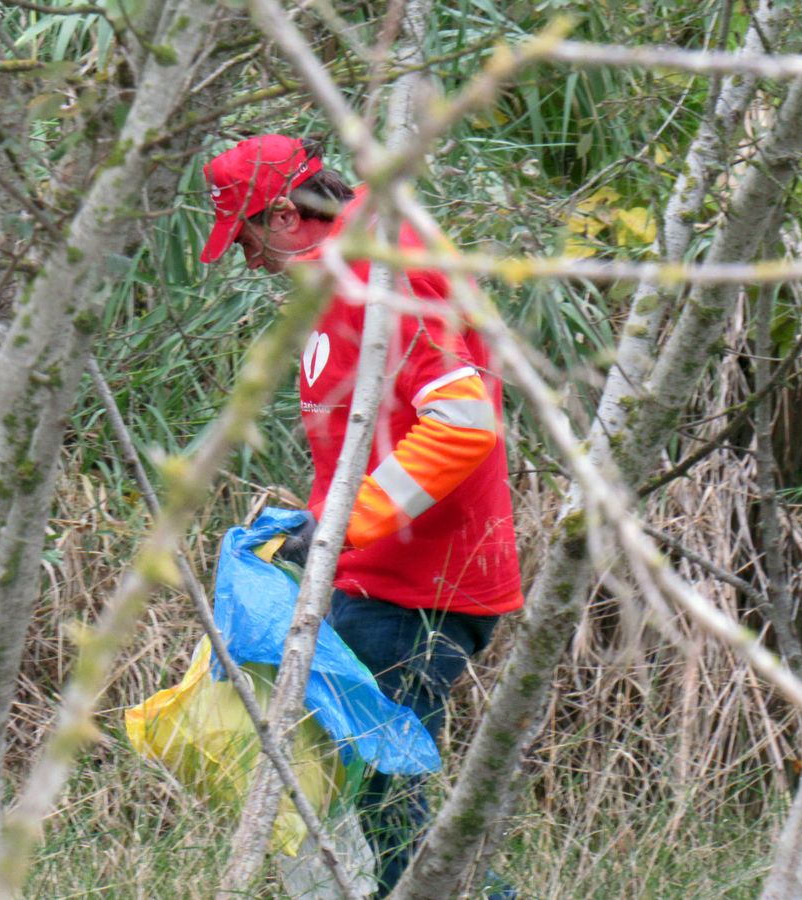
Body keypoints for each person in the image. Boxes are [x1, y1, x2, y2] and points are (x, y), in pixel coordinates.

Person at [197, 134, 523, 897]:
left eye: (246, 240)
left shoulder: (385, 275)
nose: (250, 262)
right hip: (374, 578)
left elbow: (463, 426)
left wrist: (345, 526)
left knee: (392, 815)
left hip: (418, 594)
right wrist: (310, 530)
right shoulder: (347, 276)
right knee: (377, 806)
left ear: (284, 217)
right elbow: (368, 437)